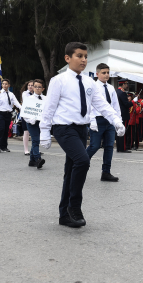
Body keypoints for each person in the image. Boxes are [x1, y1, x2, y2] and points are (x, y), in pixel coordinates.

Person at [39, 42, 125, 228]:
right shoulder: (58, 80)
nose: (84, 60)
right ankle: (74, 207)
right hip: (64, 128)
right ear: (67, 58)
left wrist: (116, 120)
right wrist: (44, 132)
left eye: (86, 56)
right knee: (82, 161)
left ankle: (64, 215)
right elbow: (49, 107)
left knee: (71, 170)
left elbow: (101, 105)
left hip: (81, 129)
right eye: (79, 56)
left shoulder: (88, 82)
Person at [86, 63, 122, 182]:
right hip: (97, 120)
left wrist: (119, 122)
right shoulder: (93, 87)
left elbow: (115, 106)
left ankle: (106, 172)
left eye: (108, 72)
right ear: (97, 74)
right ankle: (79, 166)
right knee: (94, 146)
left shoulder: (111, 88)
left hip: (110, 121)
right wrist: (92, 120)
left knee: (109, 147)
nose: (106, 75)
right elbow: (89, 105)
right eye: (103, 73)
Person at [0, 79, 21, 152]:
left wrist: (22, 108)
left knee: (6, 130)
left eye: (6, 84)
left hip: (8, 114)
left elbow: (16, 103)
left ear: (9, 85)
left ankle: (4, 146)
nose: (4, 85)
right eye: (3, 84)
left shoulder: (11, 94)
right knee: (1, 129)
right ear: (1, 85)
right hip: (0, 113)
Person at [24, 79, 46, 169]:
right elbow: (25, 113)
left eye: (39, 87)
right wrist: (30, 120)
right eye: (35, 86)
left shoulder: (46, 98)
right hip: (32, 123)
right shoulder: (29, 99)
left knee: (36, 140)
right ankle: (38, 159)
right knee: (35, 140)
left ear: (43, 89)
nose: (37, 88)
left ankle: (32, 160)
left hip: (41, 122)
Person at [115, 81, 132, 153]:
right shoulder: (122, 93)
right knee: (123, 131)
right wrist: (133, 102)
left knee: (118, 131)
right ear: (123, 84)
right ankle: (123, 148)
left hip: (117, 114)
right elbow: (126, 104)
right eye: (126, 84)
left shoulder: (116, 91)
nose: (127, 85)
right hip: (123, 114)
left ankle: (119, 147)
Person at [20, 80, 35, 156]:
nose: (30, 86)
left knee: (35, 132)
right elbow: (28, 101)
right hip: (26, 114)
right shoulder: (25, 93)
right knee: (26, 132)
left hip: (34, 114)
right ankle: (26, 150)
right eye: (29, 85)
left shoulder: (37, 94)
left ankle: (34, 149)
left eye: (32, 85)